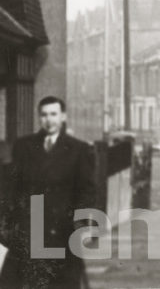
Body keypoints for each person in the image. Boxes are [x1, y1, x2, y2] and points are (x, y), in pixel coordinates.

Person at [0, 96, 96, 289]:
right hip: (29, 228)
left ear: (63, 117)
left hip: (63, 230)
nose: (49, 120)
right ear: (39, 117)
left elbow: (86, 191)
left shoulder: (78, 149)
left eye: (53, 114)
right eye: (44, 115)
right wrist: (7, 223)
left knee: (62, 283)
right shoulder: (24, 146)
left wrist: (83, 225)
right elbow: (12, 187)